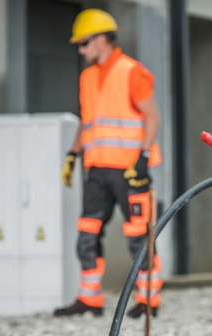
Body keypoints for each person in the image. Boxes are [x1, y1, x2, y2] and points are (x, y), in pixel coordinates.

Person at [54, 8, 163, 319]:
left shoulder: (132, 71)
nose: (81, 49)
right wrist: (73, 154)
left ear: (102, 40)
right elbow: (88, 122)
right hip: (97, 170)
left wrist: (143, 157)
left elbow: (152, 117)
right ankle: (89, 299)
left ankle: (148, 299)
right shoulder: (87, 77)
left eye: (85, 43)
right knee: (86, 235)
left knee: (139, 238)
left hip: (130, 172)